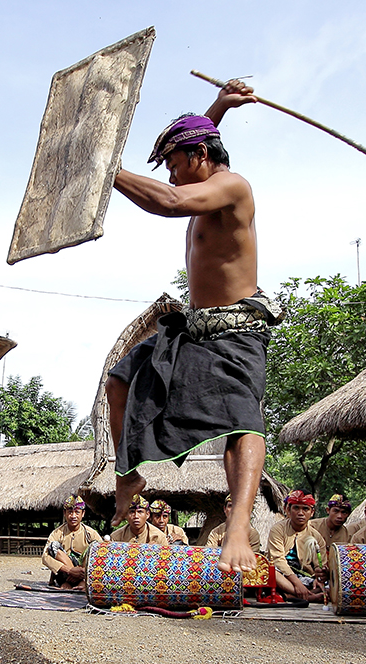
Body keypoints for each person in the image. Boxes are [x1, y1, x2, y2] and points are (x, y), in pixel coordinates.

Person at [107, 79, 280, 577]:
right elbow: (200, 146)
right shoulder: (205, 172)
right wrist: (220, 105)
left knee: (241, 422)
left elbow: (171, 202)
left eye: (176, 166)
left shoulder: (231, 186)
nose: (174, 177)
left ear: (200, 156)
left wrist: (109, 174)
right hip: (195, 328)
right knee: (120, 383)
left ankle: (241, 527)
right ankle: (127, 476)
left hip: (236, 331)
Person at [266, 490, 328, 602]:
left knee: (331, 586)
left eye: (305, 509)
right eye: (296, 508)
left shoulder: (316, 536)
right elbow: (277, 560)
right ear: (287, 510)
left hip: (305, 576)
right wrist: (298, 585)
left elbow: (320, 565)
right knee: (270, 571)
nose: (300, 513)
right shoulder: (278, 529)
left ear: (312, 512)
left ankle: (292, 595)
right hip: (283, 575)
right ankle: (307, 596)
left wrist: (320, 577)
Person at [41, 495, 102, 589]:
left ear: (83, 513)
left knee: (95, 547)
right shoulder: (57, 533)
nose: (73, 516)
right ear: (64, 513)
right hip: (64, 575)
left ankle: (82, 583)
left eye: (77, 512)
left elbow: (102, 557)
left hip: (84, 575)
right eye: (70, 512)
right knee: (53, 546)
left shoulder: (91, 534)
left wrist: (83, 572)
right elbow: (45, 557)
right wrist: (70, 570)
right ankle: (71, 583)